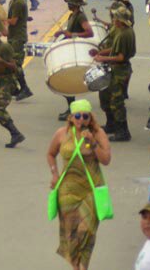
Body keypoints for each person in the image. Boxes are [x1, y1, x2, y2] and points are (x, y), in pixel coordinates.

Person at [46, 100, 112, 270]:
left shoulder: (97, 134)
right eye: (77, 116)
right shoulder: (62, 133)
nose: (81, 119)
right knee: (71, 237)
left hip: (90, 191)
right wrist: (54, 173)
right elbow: (51, 154)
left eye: (85, 116)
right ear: (71, 117)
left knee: (86, 232)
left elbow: (106, 160)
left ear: (91, 118)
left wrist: (92, 142)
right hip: (67, 192)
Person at [92, 6, 136, 141]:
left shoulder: (124, 34)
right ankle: (111, 125)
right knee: (105, 96)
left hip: (119, 71)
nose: (114, 20)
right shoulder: (122, 31)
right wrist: (101, 52)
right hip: (115, 69)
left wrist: (102, 58)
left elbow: (121, 57)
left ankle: (123, 132)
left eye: (116, 18)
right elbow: (114, 49)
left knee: (117, 102)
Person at [4, 0, 33, 101]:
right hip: (14, 36)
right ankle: (15, 88)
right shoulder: (14, 1)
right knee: (11, 63)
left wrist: (1, 20)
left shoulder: (18, 3)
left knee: (15, 64)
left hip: (17, 37)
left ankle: (24, 88)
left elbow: (14, 21)